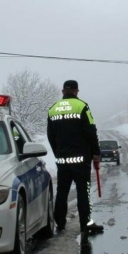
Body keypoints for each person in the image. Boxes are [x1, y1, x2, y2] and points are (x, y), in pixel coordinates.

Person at [47, 80, 104, 235]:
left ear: (62, 91)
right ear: (77, 91)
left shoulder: (53, 109)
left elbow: (50, 136)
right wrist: (96, 153)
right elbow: (91, 131)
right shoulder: (82, 107)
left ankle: (60, 223)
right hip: (81, 160)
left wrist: (58, 152)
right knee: (83, 192)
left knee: (62, 192)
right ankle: (85, 224)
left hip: (62, 160)